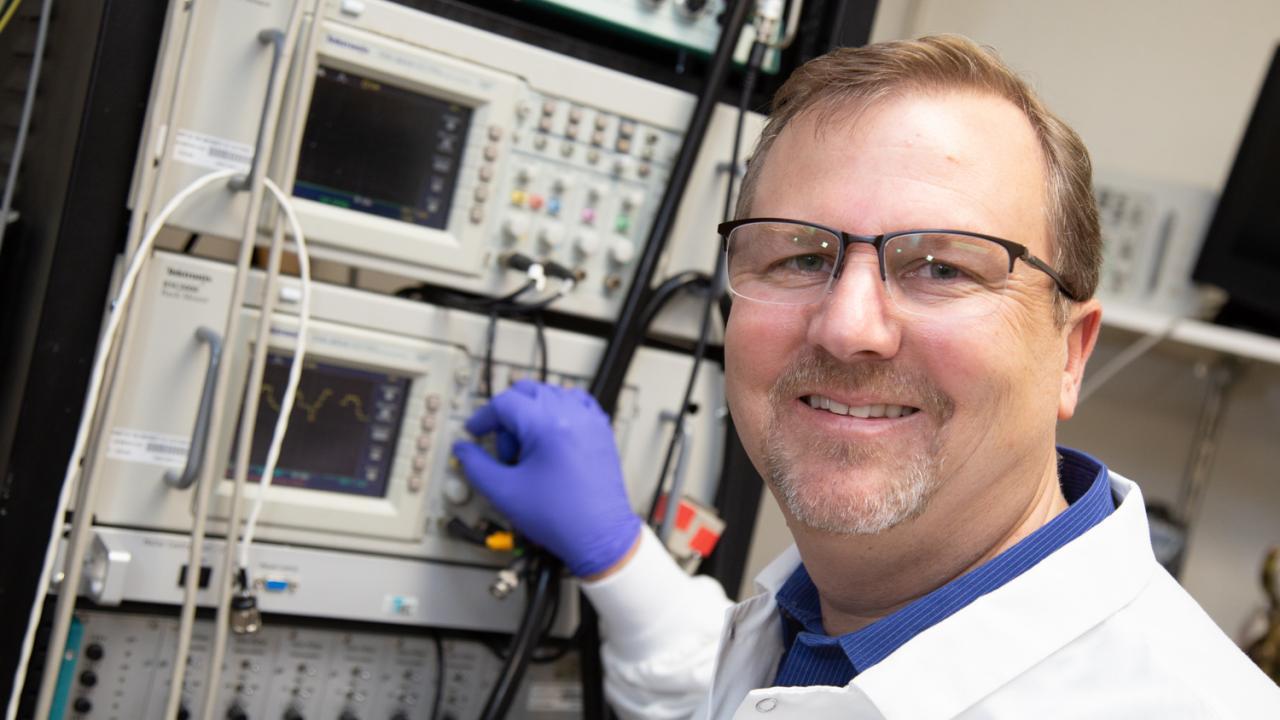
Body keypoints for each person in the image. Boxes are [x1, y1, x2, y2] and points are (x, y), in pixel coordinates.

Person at [452, 35, 1280, 719]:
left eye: (942, 268)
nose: (848, 327)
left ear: (1070, 351)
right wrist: (617, 557)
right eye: (800, 256)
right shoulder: (824, 629)